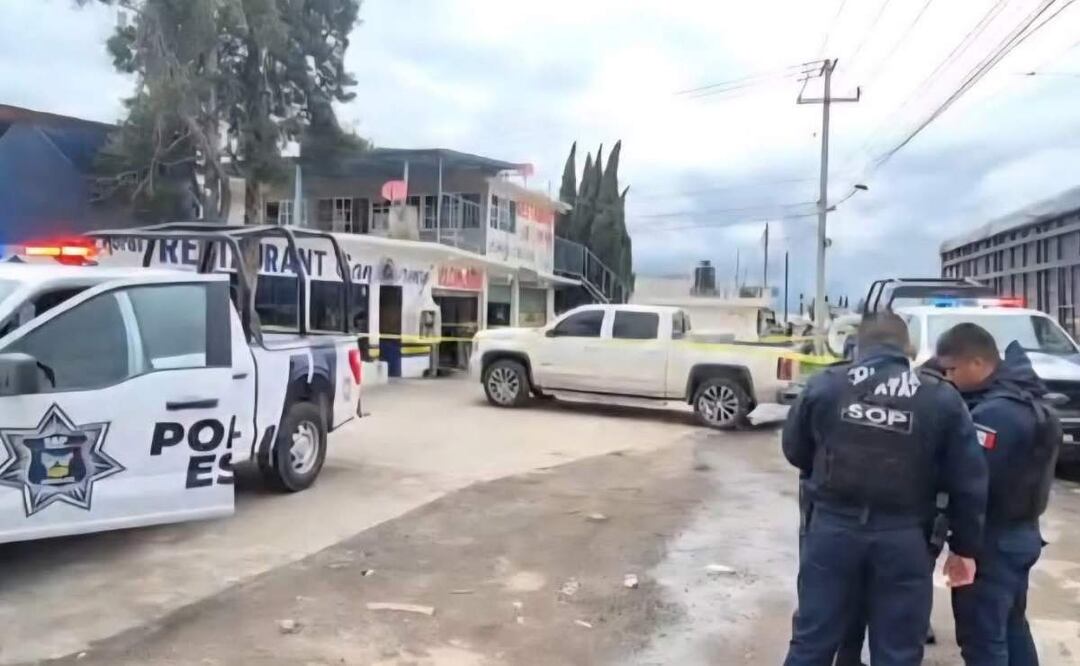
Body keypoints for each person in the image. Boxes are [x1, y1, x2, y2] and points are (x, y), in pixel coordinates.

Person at [783, 312, 989, 666]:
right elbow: (968, 479)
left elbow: (795, 449)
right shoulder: (940, 397)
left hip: (832, 531)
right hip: (905, 538)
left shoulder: (826, 384)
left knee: (812, 641)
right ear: (906, 348)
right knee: (898, 650)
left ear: (859, 346)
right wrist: (965, 547)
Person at [935, 325, 1061, 666]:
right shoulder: (1025, 397)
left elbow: (972, 487)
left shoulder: (994, 415)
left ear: (977, 363)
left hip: (993, 541)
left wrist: (964, 549)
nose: (948, 378)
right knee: (1011, 627)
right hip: (1022, 534)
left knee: (982, 639)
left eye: (952, 370)